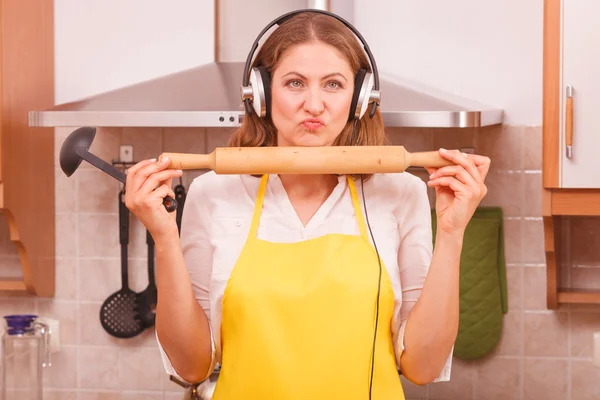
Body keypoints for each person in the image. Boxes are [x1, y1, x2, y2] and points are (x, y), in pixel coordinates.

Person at [124, 10, 490, 400]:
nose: (313, 104)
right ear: (260, 95)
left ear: (360, 98)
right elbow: (191, 365)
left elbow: (423, 366)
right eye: (295, 83)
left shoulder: (401, 192)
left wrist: (452, 233)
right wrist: (163, 237)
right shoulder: (214, 192)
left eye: (333, 84)